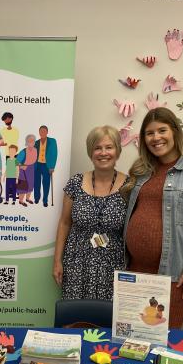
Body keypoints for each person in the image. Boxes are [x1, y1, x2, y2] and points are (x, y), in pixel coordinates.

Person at [122, 107, 183, 328]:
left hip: (174, 275)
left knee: (163, 338)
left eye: (162, 130)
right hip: (135, 271)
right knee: (131, 339)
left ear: (175, 131)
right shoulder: (142, 170)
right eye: (149, 133)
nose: (156, 138)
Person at [53, 126, 127, 300]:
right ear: (90, 152)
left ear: (117, 151)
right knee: (75, 320)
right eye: (97, 148)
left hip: (113, 266)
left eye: (109, 147)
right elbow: (64, 223)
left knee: (107, 321)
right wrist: (57, 261)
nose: (103, 153)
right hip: (77, 263)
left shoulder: (130, 186)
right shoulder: (75, 183)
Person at [34, 125, 58, 207]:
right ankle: (36, 198)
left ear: (47, 132)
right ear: (39, 132)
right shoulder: (36, 143)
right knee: (36, 183)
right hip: (37, 165)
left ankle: (45, 200)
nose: (42, 133)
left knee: (46, 183)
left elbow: (54, 154)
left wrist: (52, 167)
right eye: (41, 131)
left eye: (44, 131)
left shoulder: (52, 141)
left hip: (47, 166)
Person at [17, 134, 38, 206]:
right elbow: (16, 162)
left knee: (30, 185)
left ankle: (28, 198)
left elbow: (35, 161)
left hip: (31, 169)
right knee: (23, 185)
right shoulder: (23, 152)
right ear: (27, 142)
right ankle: (21, 201)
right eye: (30, 141)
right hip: (23, 170)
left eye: (33, 141)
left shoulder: (35, 150)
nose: (31, 142)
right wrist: (23, 166)